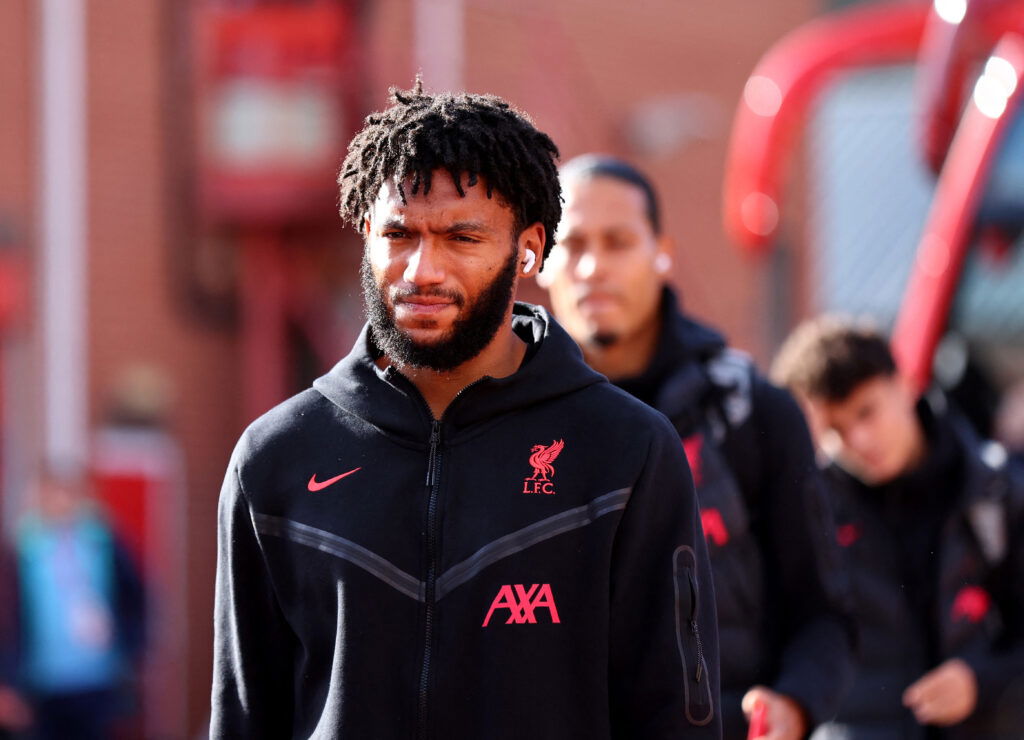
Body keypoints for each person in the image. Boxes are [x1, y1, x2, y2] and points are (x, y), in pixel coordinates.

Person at [210, 84, 721, 739]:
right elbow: (245, 719)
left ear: (529, 248)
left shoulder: (626, 452)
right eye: (399, 234)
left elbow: (673, 716)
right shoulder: (275, 459)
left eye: (462, 237)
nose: (423, 270)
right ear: (366, 236)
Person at [538, 154, 855, 740]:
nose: (592, 266)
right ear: (539, 259)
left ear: (663, 254)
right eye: (573, 243)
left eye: (618, 242)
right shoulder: (503, 421)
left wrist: (794, 703)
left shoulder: (751, 413)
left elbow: (823, 614)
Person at [772, 316, 1024, 739]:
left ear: (906, 383)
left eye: (867, 412)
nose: (859, 441)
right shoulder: (810, 511)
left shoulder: (994, 492)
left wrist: (980, 682)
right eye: (836, 430)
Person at [13, 463, 146, 740]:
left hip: (96, 679)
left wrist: (130, 649)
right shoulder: (23, 547)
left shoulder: (104, 542)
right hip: (41, 682)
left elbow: (137, 598)